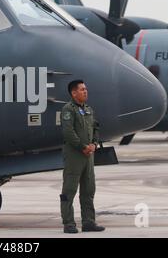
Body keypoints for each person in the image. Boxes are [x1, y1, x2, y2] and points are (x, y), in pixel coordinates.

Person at [60, 80, 105, 234]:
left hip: (88, 156)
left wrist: (94, 144)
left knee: (89, 189)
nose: (85, 92)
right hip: (75, 155)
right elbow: (68, 132)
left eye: (86, 89)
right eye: (82, 89)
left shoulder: (88, 110)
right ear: (74, 93)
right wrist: (82, 146)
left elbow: (96, 128)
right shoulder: (68, 110)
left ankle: (88, 222)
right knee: (69, 190)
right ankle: (68, 223)